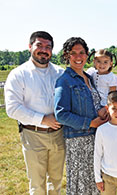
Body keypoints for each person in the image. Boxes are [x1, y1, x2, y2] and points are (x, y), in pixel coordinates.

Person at [4, 31, 65, 194]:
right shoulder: (18, 74)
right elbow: (12, 108)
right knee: (37, 184)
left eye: (48, 47)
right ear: (30, 47)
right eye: (39, 45)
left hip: (59, 134)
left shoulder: (60, 73)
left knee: (56, 181)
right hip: (33, 134)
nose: (44, 50)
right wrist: (43, 119)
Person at [54, 37, 108, 195]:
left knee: (96, 183)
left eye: (82, 52)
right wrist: (91, 123)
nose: (78, 57)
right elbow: (61, 114)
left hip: (95, 137)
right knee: (82, 186)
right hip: (79, 140)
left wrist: (102, 111)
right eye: (73, 53)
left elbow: (92, 104)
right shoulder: (64, 80)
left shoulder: (89, 78)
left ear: (87, 55)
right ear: (66, 56)